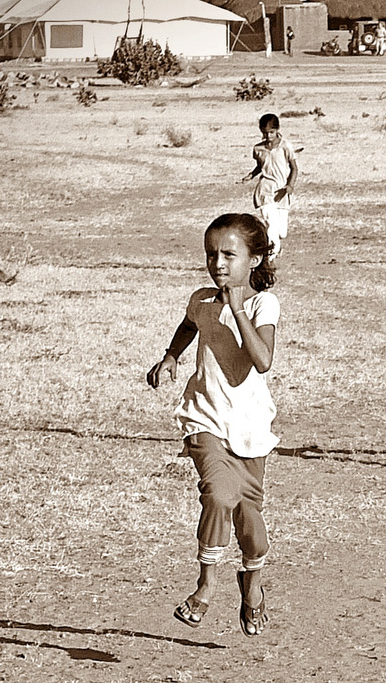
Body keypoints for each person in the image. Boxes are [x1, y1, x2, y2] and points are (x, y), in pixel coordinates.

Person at [146, 214, 280, 635]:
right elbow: (191, 323)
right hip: (204, 417)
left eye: (229, 254)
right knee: (218, 494)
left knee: (251, 522)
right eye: (211, 253)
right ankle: (205, 584)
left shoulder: (262, 305)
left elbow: (263, 360)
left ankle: (252, 583)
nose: (218, 263)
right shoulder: (202, 300)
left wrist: (237, 309)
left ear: (254, 260)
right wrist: (171, 357)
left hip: (250, 428)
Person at [238, 113, 299, 263]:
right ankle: (271, 254)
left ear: (277, 130)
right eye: (265, 133)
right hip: (265, 190)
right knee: (271, 223)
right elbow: (260, 166)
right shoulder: (258, 149)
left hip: (282, 192)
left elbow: (294, 168)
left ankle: (274, 244)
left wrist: (290, 185)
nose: (268, 136)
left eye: (271, 132)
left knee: (281, 232)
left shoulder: (286, 146)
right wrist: (251, 175)